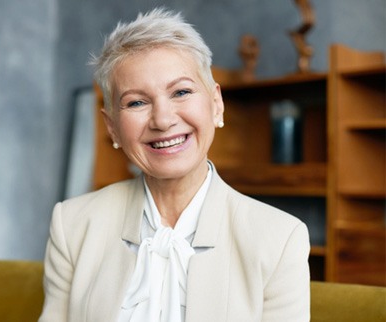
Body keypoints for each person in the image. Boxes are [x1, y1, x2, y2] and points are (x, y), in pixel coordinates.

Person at [39, 8, 310, 322]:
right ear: (112, 126)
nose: (163, 120)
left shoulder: (280, 238)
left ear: (216, 105)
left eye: (181, 92)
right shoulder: (72, 224)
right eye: (136, 102)